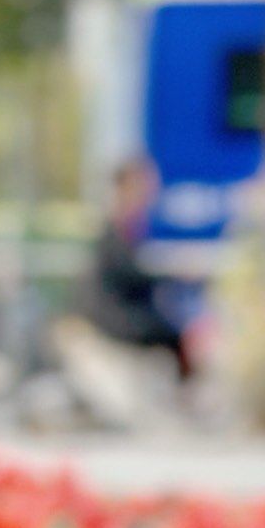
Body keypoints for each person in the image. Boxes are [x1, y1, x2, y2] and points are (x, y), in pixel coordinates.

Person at [83, 155, 191, 381]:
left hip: (126, 316)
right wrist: (171, 273)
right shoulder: (115, 228)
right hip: (117, 321)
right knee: (177, 338)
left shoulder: (130, 227)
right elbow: (128, 274)